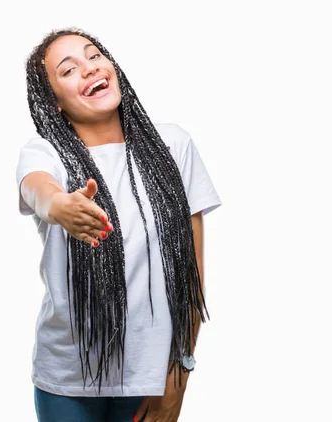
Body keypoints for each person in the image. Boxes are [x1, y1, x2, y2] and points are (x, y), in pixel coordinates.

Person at [16, 27, 222, 422]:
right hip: (68, 378)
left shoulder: (173, 145)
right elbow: (38, 189)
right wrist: (60, 206)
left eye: (93, 55)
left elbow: (191, 276)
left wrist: (181, 371)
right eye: (69, 69)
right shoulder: (45, 152)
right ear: (54, 101)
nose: (89, 68)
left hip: (151, 376)